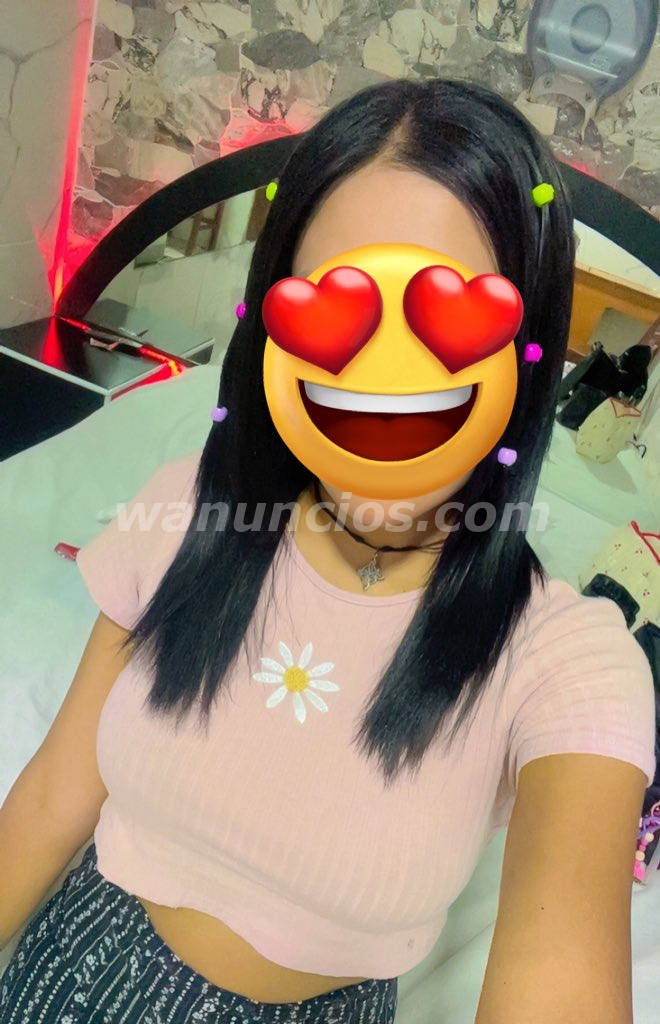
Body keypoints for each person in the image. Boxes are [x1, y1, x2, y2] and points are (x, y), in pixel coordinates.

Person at [0, 77, 656, 1024]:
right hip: (75, 967)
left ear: (525, 353)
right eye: (338, 308)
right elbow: (53, 797)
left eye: (441, 319)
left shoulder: (567, 659)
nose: (384, 379)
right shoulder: (184, 512)